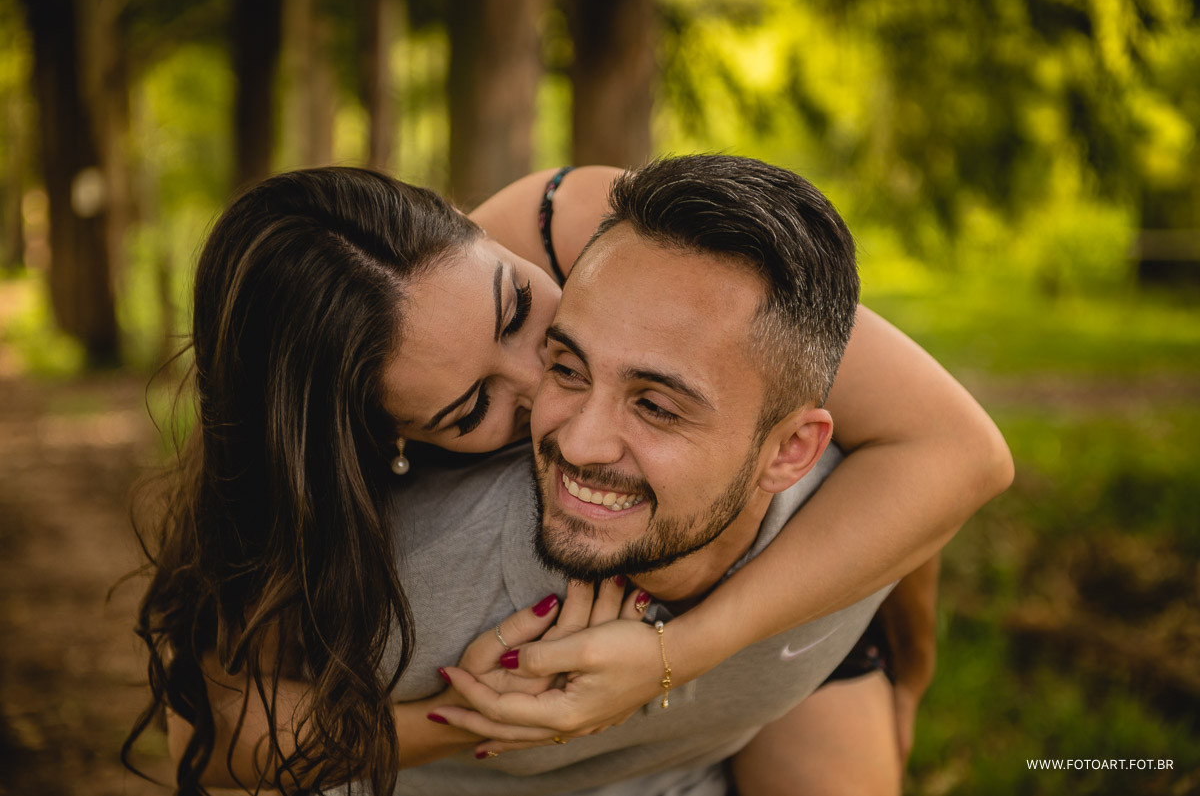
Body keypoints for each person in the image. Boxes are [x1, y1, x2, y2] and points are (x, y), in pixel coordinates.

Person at [127, 159, 1011, 795]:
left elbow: (938, 454)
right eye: (471, 409)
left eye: (521, 315)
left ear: (485, 236)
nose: (545, 392)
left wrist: (677, 658)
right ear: (389, 439)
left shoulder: (588, 221)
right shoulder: (339, 504)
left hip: (756, 583)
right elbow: (217, 744)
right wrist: (490, 711)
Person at [334, 153, 954, 794]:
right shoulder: (401, 579)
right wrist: (474, 715)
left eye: (656, 406)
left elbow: (936, 479)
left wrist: (903, 688)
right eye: (568, 368)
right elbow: (232, 747)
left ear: (791, 450)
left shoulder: (845, 506)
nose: (578, 441)